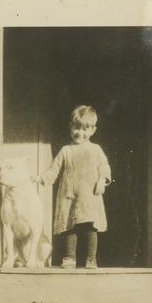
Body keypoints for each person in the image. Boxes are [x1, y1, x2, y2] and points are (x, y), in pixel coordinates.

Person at [33, 105, 111, 269]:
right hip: (69, 195)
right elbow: (53, 171)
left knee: (90, 227)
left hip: (89, 196)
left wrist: (102, 180)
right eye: (76, 128)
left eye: (85, 129)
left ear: (92, 131)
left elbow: (104, 166)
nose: (79, 133)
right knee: (69, 227)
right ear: (71, 127)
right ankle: (69, 258)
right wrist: (40, 178)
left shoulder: (95, 150)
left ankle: (91, 259)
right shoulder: (65, 151)